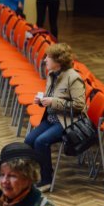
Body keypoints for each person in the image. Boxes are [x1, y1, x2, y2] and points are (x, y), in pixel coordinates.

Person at [25, 43, 85, 190]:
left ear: (58, 61)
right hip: (51, 118)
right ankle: (37, 173)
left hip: (66, 122)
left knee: (41, 142)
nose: (45, 59)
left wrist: (53, 102)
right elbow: (51, 97)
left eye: (48, 57)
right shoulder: (52, 74)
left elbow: (79, 105)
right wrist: (42, 101)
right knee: (29, 140)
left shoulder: (74, 78)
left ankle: (46, 180)